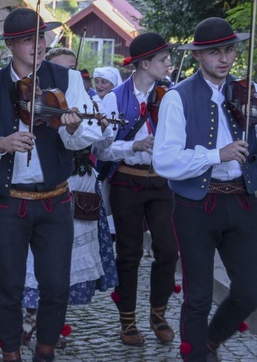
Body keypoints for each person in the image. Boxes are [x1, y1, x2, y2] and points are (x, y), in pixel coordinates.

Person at [0, 7, 101, 362]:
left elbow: (90, 134)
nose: (38, 44)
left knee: (55, 284)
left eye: (41, 36)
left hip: (55, 199)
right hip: (6, 202)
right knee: (10, 286)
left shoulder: (67, 80)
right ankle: (10, 353)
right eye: (27, 39)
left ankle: (45, 351)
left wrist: (72, 127)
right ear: (10, 45)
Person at [154, 17, 257, 361]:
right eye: (214, 52)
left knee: (250, 293)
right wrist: (213, 155)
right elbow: (164, 160)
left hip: (241, 199)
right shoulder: (177, 97)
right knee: (198, 296)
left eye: (230, 50)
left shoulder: (251, 91)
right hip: (195, 205)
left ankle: (208, 341)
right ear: (199, 56)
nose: (224, 58)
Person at [21, 48, 118, 350]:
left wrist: (98, 126)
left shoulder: (86, 100)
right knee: (37, 256)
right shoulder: (31, 98)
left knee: (66, 261)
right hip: (47, 184)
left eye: (72, 69)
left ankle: (52, 321)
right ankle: (29, 317)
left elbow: (103, 142)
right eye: (59, 69)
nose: (64, 77)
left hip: (80, 181)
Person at [93, 32, 179, 347]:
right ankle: (127, 322)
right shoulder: (114, 98)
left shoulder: (171, 95)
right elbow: (102, 150)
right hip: (126, 181)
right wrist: (134, 145)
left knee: (168, 250)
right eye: (163, 60)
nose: (169, 64)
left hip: (160, 181)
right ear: (145, 63)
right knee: (128, 253)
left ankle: (159, 314)